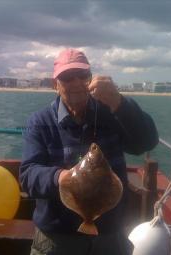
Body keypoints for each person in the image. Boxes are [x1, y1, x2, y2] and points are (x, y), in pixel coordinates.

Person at [19, 48, 158, 255]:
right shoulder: (40, 122)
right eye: (67, 77)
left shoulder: (111, 111)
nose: (76, 83)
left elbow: (145, 142)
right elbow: (28, 175)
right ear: (54, 84)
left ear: (91, 78)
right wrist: (62, 178)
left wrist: (120, 102)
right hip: (57, 237)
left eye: (82, 76)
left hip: (110, 235)